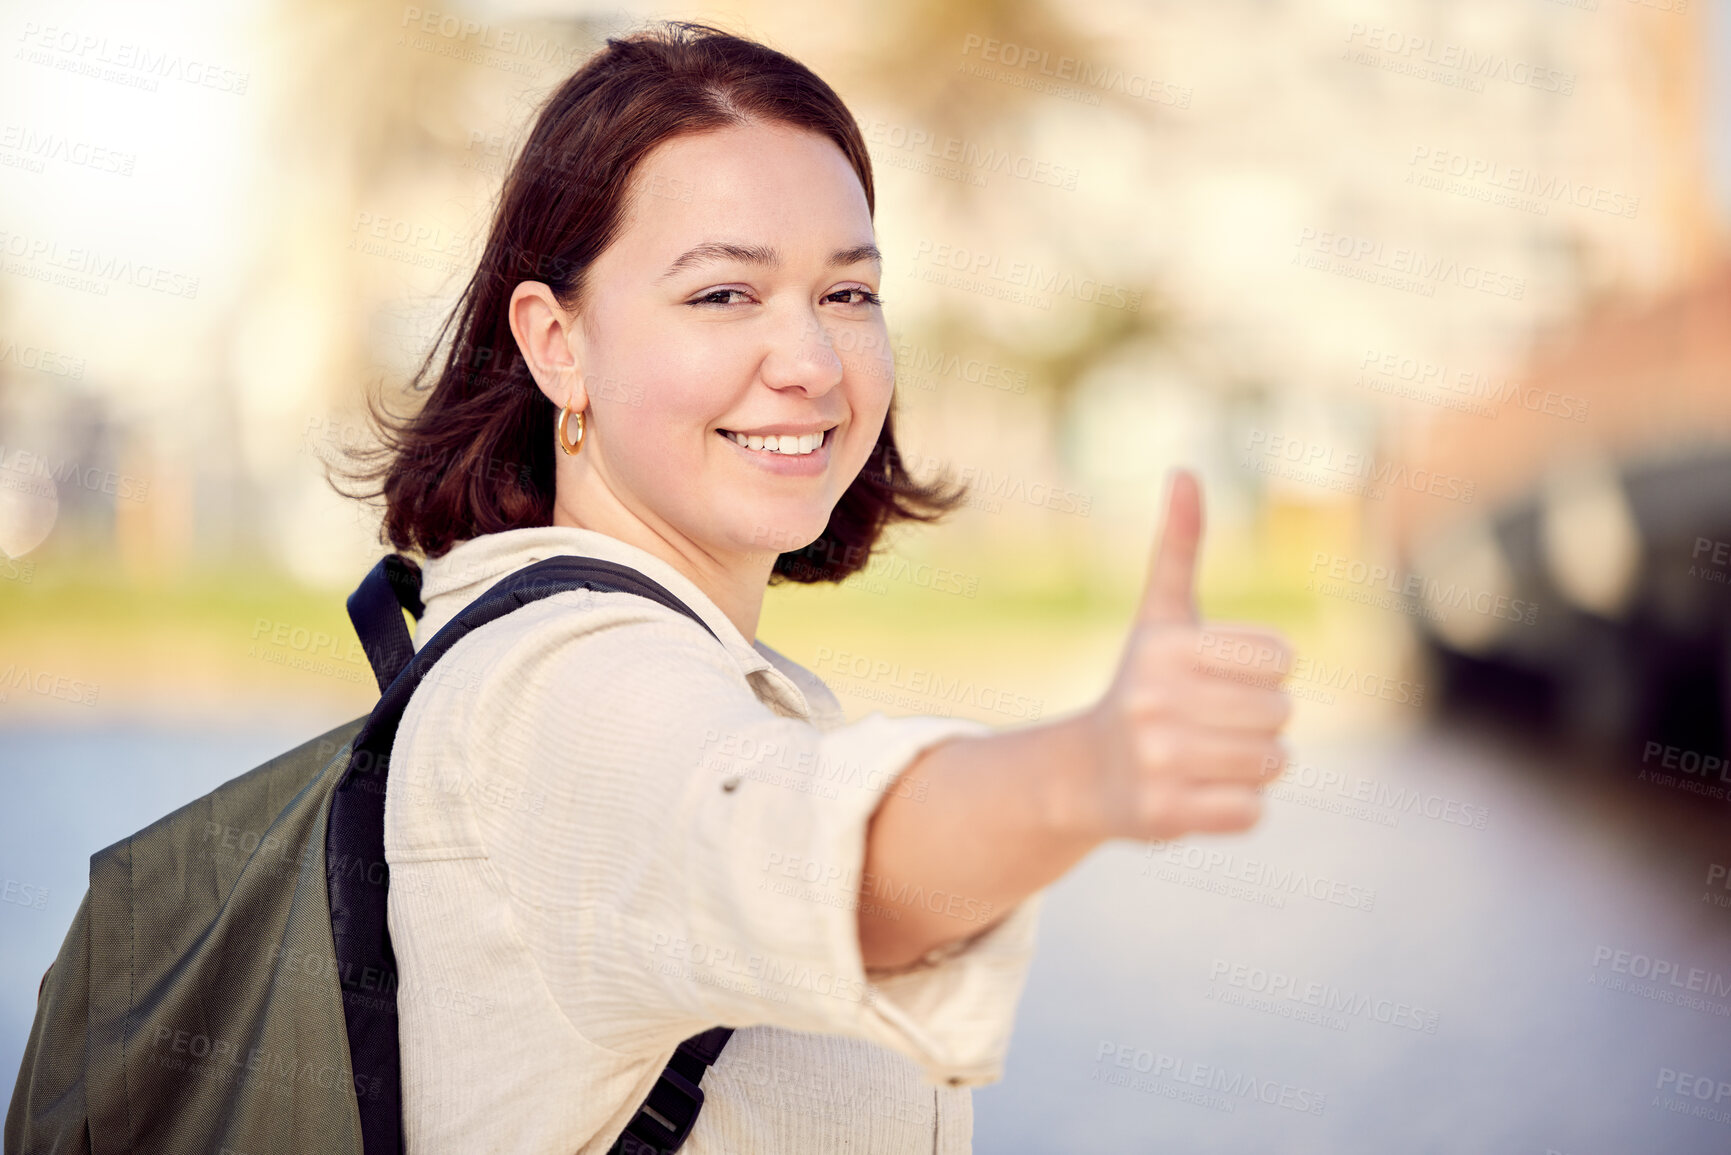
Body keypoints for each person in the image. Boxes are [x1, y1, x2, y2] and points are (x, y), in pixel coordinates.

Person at [338, 19, 1293, 1154]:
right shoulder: (562, 694)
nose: (811, 363)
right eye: (724, 296)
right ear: (558, 346)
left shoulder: (622, 662)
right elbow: (808, 849)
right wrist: (1084, 771)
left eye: (847, 294)